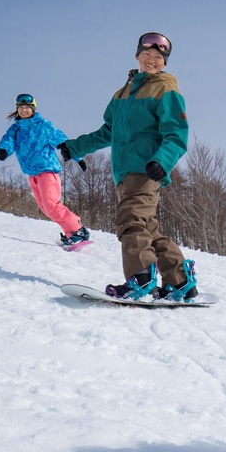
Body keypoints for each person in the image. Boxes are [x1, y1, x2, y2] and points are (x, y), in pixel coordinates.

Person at [60, 32, 198, 302]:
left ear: (164, 63)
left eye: (158, 57)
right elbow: (108, 131)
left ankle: (140, 279)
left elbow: (176, 134)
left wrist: (162, 160)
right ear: (137, 56)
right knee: (148, 230)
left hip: (145, 169)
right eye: (147, 55)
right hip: (123, 173)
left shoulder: (166, 89)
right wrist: (75, 147)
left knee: (130, 221)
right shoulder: (122, 94)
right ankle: (180, 282)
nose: (152, 60)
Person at [0, 94, 89, 248]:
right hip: (32, 175)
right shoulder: (16, 129)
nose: (24, 111)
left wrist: (78, 157)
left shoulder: (43, 125)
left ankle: (78, 230)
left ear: (33, 109)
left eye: (27, 108)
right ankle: (70, 233)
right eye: (21, 108)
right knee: (46, 208)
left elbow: (62, 140)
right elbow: (8, 141)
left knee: (52, 205)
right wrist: (3, 150)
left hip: (47, 171)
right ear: (17, 110)